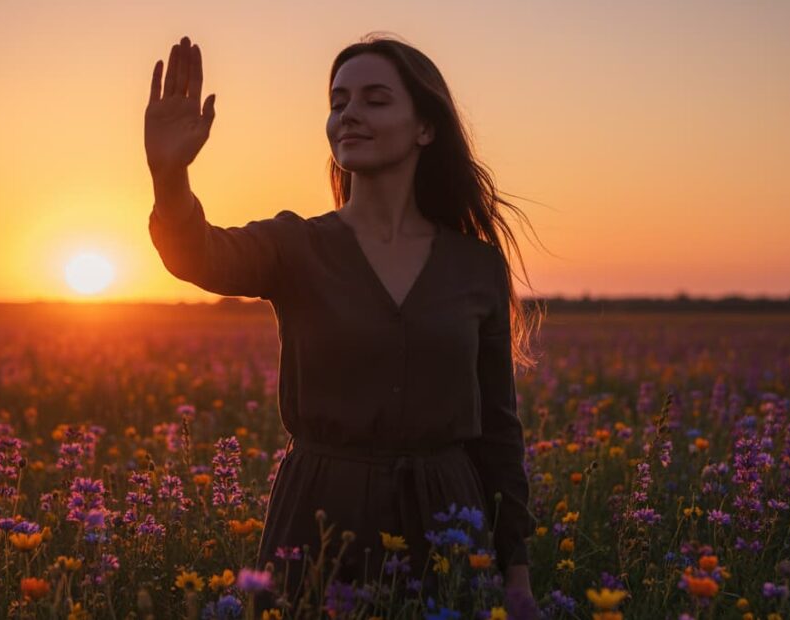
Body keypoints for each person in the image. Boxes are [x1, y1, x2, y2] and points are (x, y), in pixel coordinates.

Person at [144, 32, 543, 617]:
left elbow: (499, 435)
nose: (348, 114)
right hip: (320, 516)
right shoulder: (296, 246)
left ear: (425, 128)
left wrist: (517, 573)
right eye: (338, 103)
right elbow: (195, 255)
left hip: (447, 520)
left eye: (375, 99)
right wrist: (168, 176)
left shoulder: (476, 265)